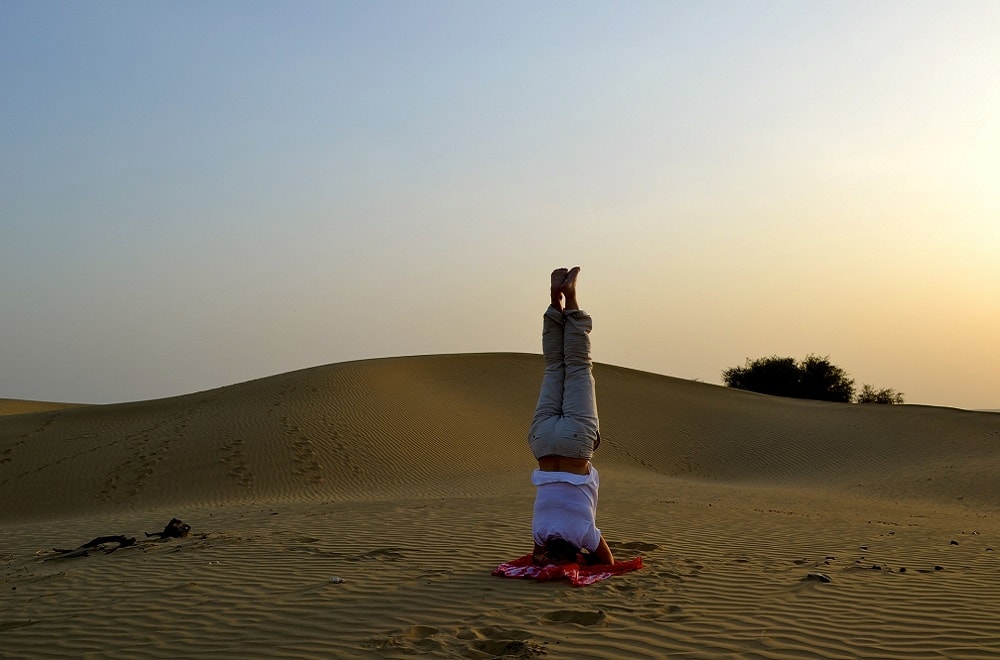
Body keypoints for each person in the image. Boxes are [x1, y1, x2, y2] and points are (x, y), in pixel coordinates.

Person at [528, 266, 615, 566]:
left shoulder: (584, 535)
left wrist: (585, 560)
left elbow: (608, 563)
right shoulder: (540, 533)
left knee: (578, 366)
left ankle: (572, 296)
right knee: (554, 366)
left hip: (575, 444)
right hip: (542, 443)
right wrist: (544, 558)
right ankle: (555, 301)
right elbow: (539, 555)